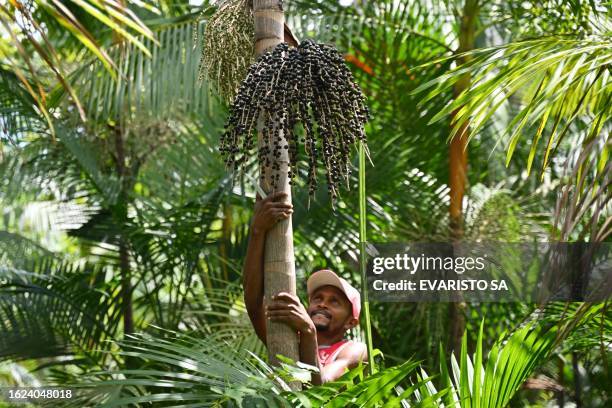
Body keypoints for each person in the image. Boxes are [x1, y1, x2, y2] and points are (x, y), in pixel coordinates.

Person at [243, 192, 368, 385]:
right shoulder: (289, 339)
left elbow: (322, 387)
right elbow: (254, 305)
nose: (323, 304)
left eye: (335, 301)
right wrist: (257, 231)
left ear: (351, 322)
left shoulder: (354, 350)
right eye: (318, 298)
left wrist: (308, 330)